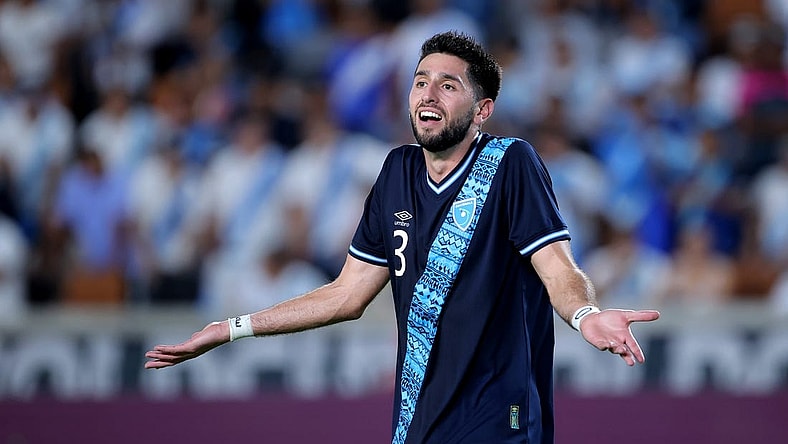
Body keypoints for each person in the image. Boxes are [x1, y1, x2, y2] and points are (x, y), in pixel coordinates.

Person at [145, 31, 660, 444]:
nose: (428, 94)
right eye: (420, 82)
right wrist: (231, 328)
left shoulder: (510, 163)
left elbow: (557, 266)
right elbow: (345, 295)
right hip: (417, 423)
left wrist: (586, 315)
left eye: (448, 85)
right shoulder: (396, 171)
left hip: (498, 418)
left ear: (482, 111)